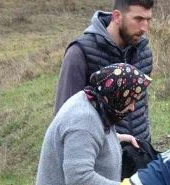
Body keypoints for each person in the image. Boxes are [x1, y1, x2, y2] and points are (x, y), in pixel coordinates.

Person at [54, 0, 153, 143]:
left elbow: (141, 106)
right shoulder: (80, 53)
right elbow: (64, 117)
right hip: (97, 155)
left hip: (139, 150)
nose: (144, 27)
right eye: (138, 19)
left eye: (148, 20)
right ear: (117, 17)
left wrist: (145, 144)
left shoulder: (143, 52)